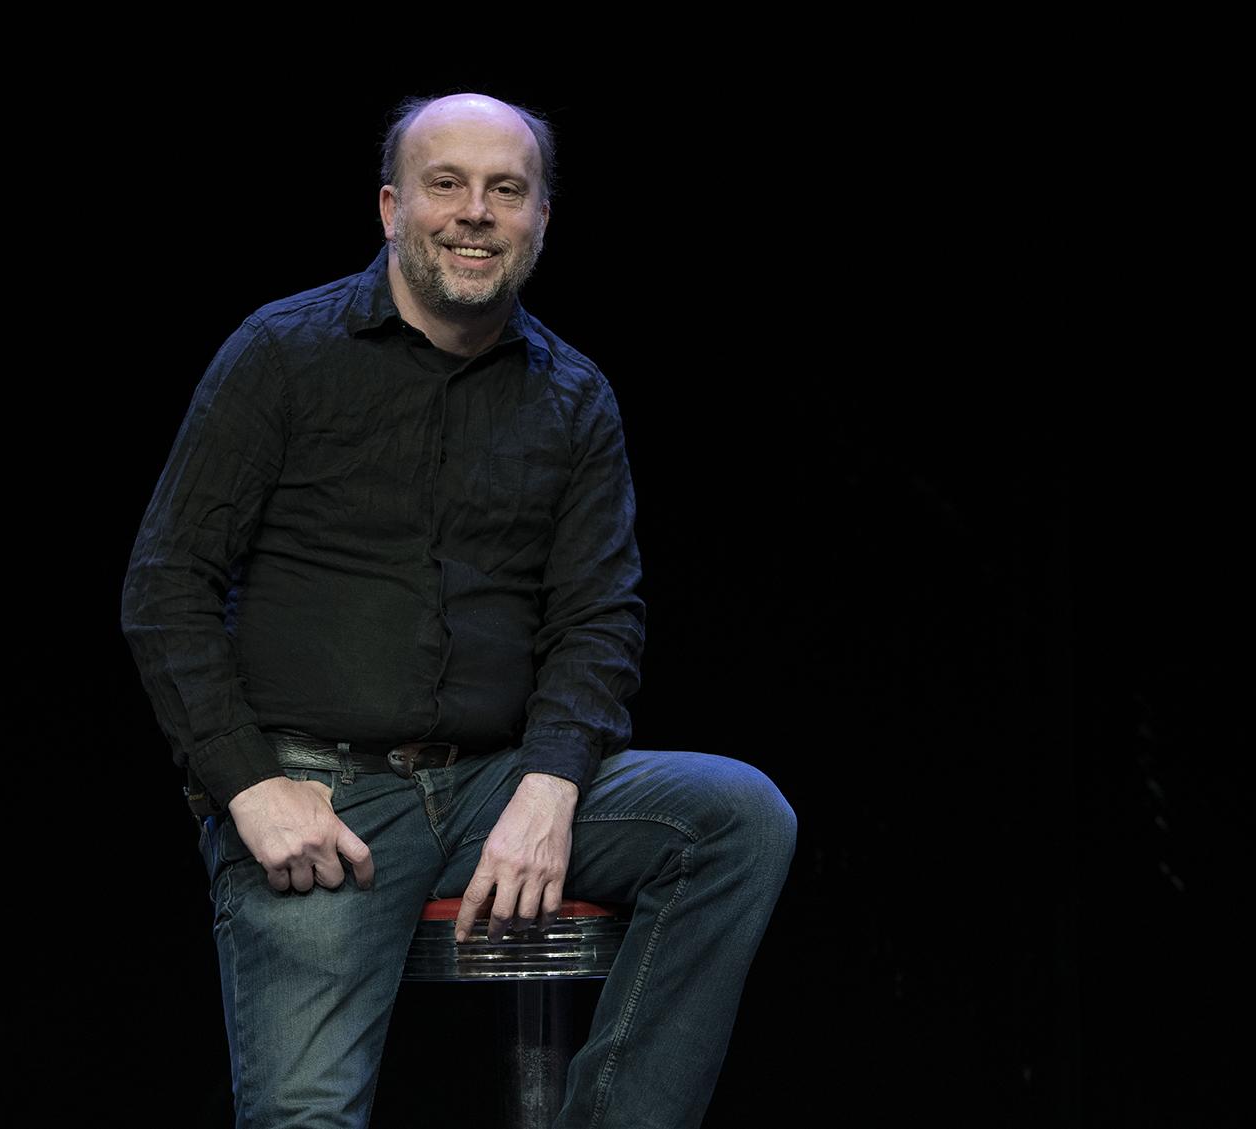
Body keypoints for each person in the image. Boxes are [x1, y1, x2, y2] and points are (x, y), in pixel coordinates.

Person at [121, 91, 796, 1128]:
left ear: (540, 220)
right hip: (323, 798)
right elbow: (165, 586)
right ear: (392, 207)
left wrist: (549, 785)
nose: (475, 211)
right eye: (446, 184)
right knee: (305, 1119)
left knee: (737, 817)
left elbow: (598, 619)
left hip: (495, 786)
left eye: (505, 190)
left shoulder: (573, 395)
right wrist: (246, 785)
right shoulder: (281, 353)